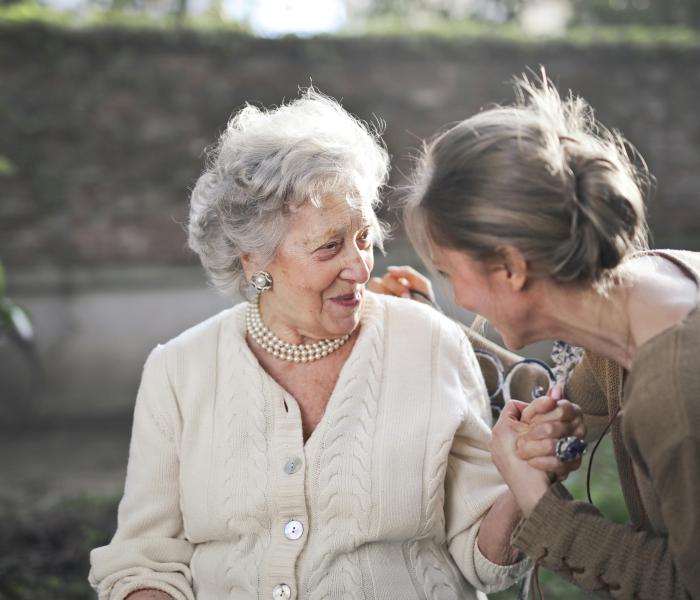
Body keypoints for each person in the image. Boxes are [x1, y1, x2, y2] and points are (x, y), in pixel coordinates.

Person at [88, 90, 583, 600]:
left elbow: (484, 561)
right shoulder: (178, 370)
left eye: (364, 238)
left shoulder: (429, 343)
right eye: (330, 246)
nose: (360, 266)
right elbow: (143, 561)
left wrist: (522, 482)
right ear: (253, 260)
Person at [376, 72, 700, 599]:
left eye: (449, 273)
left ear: (509, 268)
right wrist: (425, 323)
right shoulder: (645, 291)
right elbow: (553, 394)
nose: (460, 296)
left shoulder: (678, 393)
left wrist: (540, 505)